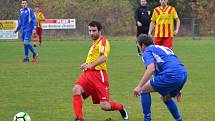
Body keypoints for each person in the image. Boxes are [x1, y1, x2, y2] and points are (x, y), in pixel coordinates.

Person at [72, 21, 129, 121]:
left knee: (104, 106)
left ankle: (121, 107)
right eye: (89, 31)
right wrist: (87, 65)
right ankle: (79, 118)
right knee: (76, 89)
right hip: (87, 74)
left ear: (100, 30)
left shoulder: (103, 41)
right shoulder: (95, 43)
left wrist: (90, 65)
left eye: (94, 31)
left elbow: (103, 57)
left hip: (99, 75)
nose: (91, 33)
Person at [133, 34, 187, 121]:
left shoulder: (147, 51)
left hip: (170, 75)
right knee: (165, 97)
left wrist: (139, 86)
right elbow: (172, 63)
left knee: (143, 89)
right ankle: (179, 120)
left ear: (143, 45)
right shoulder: (163, 48)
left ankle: (147, 119)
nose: (139, 48)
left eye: (138, 46)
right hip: (183, 74)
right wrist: (178, 88)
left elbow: (150, 69)